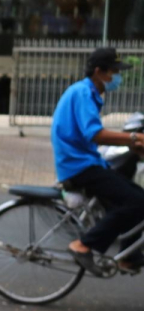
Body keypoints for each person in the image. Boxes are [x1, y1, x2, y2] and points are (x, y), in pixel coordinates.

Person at [51, 46, 144, 276]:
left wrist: (132, 144)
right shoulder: (83, 93)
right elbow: (95, 134)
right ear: (99, 72)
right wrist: (133, 138)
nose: (117, 77)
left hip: (86, 162)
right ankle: (82, 245)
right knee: (137, 201)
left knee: (132, 198)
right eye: (114, 71)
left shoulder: (88, 93)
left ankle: (129, 257)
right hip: (79, 166)